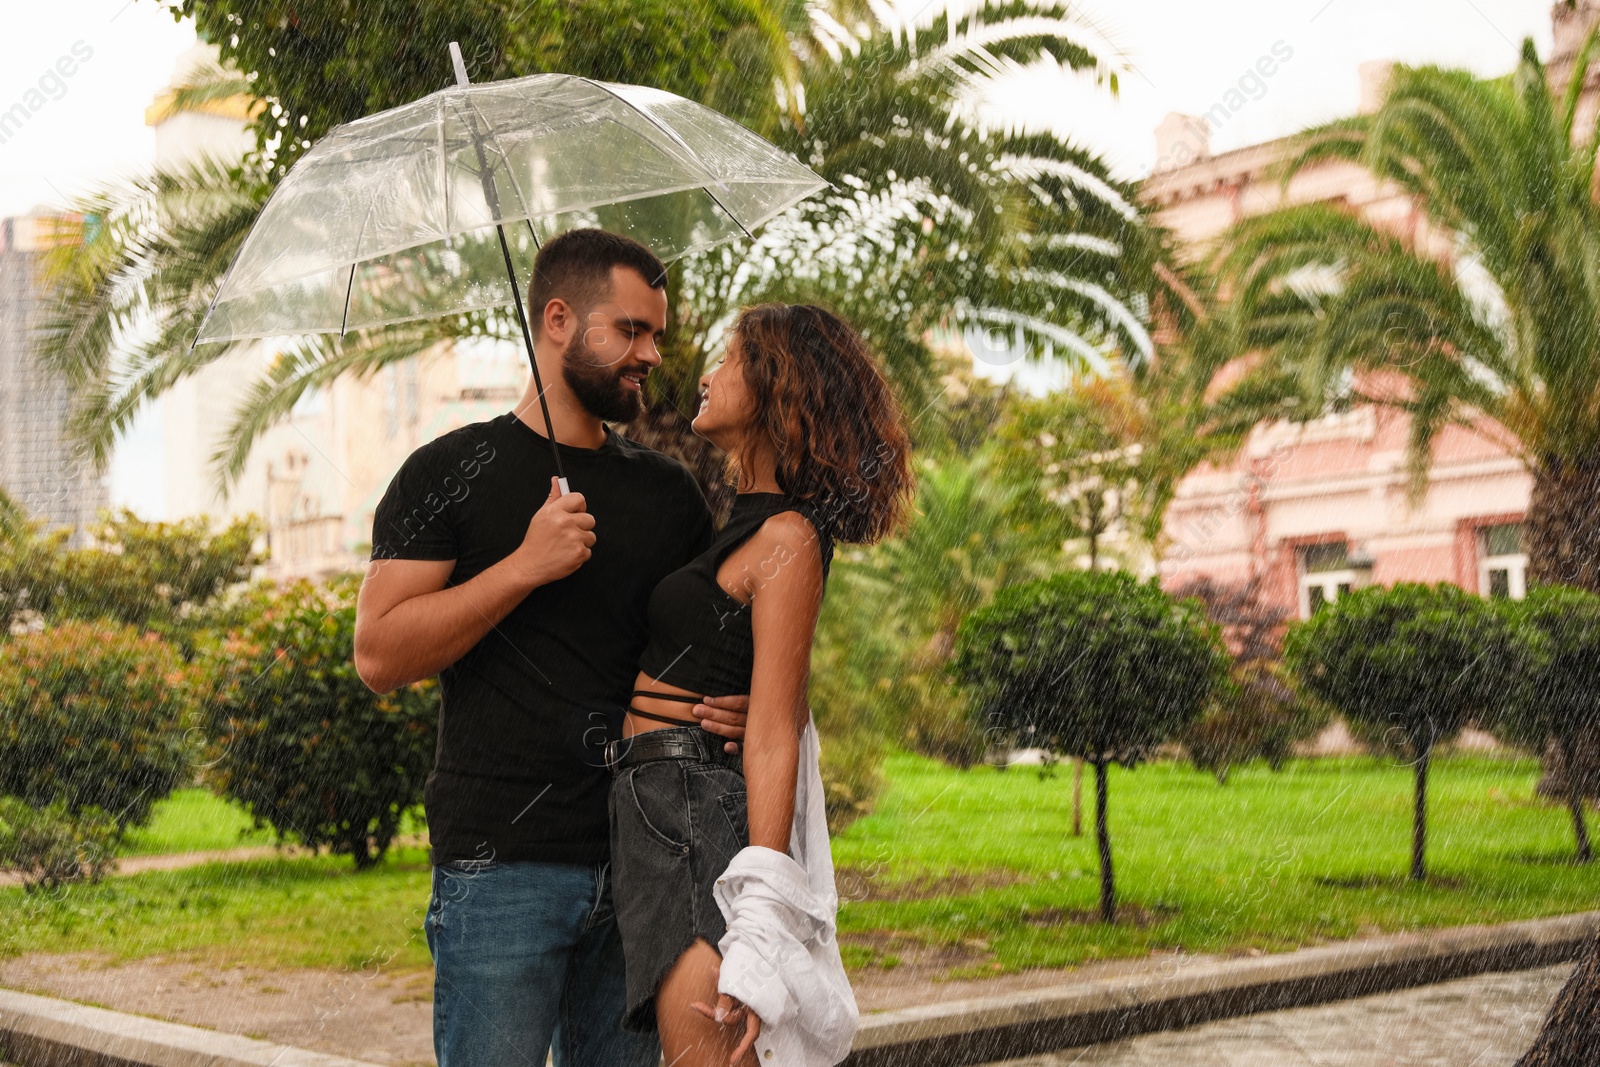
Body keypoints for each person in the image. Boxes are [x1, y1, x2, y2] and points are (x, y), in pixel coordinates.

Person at [353, 228, 750, 1067]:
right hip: (503, 866)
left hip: (646, 857)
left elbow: (692, 648)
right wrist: (523, 566)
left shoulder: (667, 491)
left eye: (656, 333)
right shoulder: (446, 472)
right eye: (631, 330)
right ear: (560, 320)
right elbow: (381, 654)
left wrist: (733, 703)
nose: (649, 353)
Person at [608, 303, 915, 1066]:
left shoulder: (788, 536)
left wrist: (756, 936)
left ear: (778, 386)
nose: (704, 375)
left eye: (730, 359)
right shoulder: (745, 525)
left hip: (689, 815)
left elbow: (773, 730)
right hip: (657, 809)